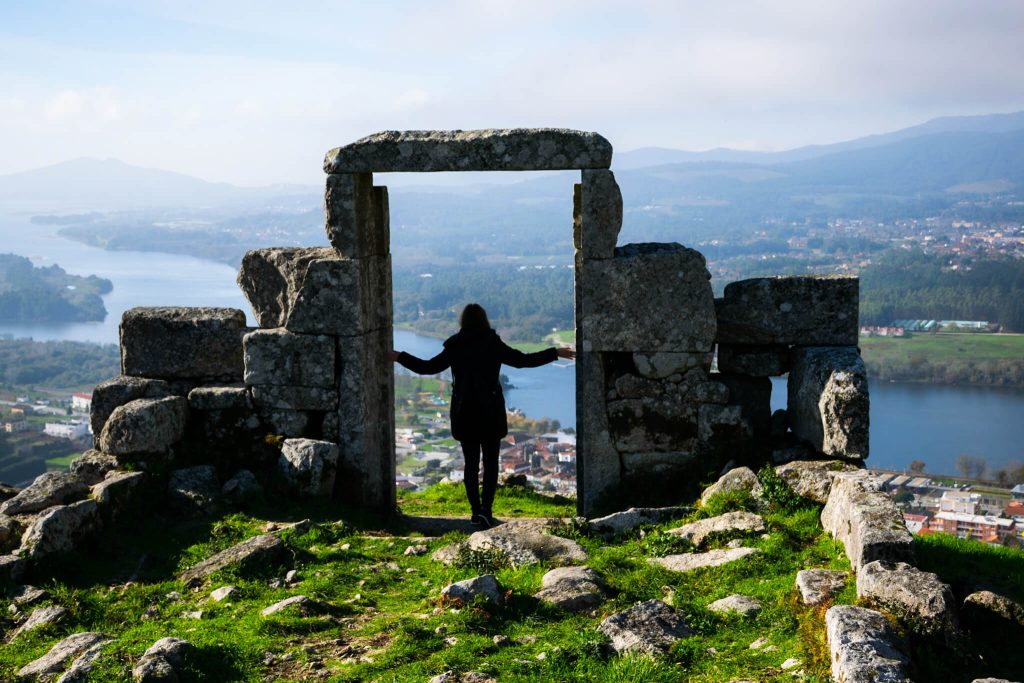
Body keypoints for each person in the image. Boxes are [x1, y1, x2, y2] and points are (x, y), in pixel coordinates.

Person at [388, 303, 575, 528]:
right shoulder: (492, 343)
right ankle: (486, 509)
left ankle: (476, 512)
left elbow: (427, 367)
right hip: (490, 413)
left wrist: (399, 356)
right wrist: (555, 352)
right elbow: (522, 361)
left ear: (463, 321)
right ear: (484, 320)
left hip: (465, 413)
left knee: (470, 464)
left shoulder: (456, 346)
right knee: (490, 464)